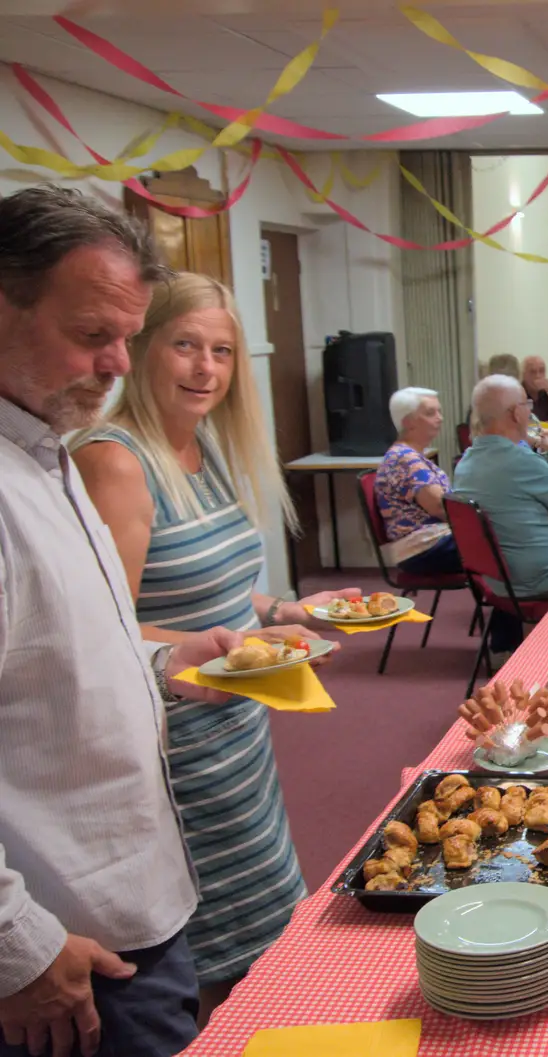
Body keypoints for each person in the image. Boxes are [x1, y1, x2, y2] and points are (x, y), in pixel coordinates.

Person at [0, 185, 249, 1057]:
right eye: (89, 335)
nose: (114, 363)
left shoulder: (46, 449)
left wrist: (163, 659)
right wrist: (17, 944)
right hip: (59, 935)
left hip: (131, 895)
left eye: (125, 338)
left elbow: (65, 645)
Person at [70, 272, 351, 1018]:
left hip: (237, 736)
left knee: (259, 950)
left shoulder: (204, 448)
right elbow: (95, 631)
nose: (206, 369)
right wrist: (227, 644)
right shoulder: (116, 461)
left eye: (222, 351)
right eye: (186, 346)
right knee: (200, 970)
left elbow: (218, 592)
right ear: (141, 348)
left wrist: (291, 607)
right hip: (172, 754)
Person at [453, 376, 548, 662]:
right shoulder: (520, 461)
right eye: (526, 403)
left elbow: (510, 503)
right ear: (516, 413)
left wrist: (546, 507)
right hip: (545, 579)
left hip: (497, 580)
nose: (530, 410)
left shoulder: (466, 461)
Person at [375, 387, 461, 575]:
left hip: (432, 541)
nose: (440, 418)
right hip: (423, 549)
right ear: (408, 422)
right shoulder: (405, 458)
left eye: (439, 411)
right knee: (502, 543)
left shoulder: (410, 454)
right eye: (431, 413)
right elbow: (441, 507)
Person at [521, 354, 548, 423]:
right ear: (524, 375)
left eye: (541, 371)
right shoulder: (518, 393)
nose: (538, 376)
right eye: (532, 372)